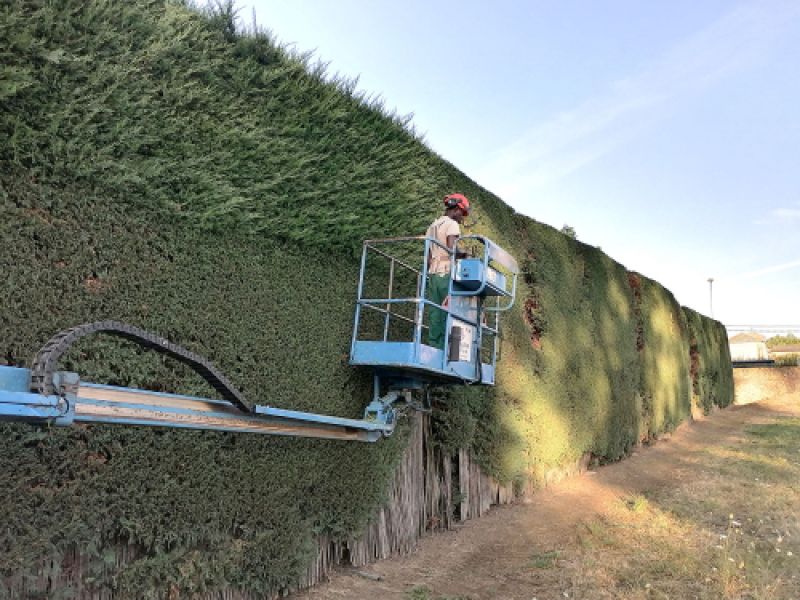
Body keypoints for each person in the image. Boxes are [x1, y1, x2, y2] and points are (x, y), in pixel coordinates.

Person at [425, 193, 470, 349]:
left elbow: (428, 255)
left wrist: (427, 274)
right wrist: (464, 254)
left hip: (433, 273)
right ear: (456, 209)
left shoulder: (432, 226)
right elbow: (452, 248)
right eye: (462, 213)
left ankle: (433, 346)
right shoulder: (452, 224)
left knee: (434, 312)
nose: (462, 218)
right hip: (446, 273)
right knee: (448, 311)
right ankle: (446, 350)